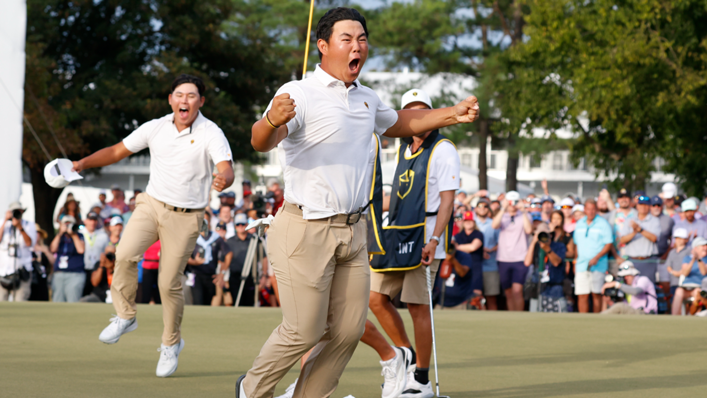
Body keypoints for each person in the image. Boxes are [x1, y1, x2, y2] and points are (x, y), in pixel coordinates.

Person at [236, 7, 480, 397]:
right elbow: (260, 140)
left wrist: (452, 114)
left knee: (348, 331)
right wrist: (268, 120)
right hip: (305, 229)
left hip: (353, 232)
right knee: (305, 329)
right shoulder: (299, 92)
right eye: (347, 39)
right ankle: (251, 389)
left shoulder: (366, 98)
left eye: (362, 40)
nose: (358, 47)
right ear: (323, 46)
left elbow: (399, 122)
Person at [71, 73, 234, 378]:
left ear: (201, 101)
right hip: (151, 204)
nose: (184, 100)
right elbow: (117, 151)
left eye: (191, 95)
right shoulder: (155, 127)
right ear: (171, 99)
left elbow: (225, 167)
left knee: (168, 281)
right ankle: (125, 315)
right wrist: (82, 163)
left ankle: (171, 343)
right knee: (124, 255)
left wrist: (224, 178)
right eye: (179, 94)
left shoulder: (212, 132)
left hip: (187, 215)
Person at [362, 87, 461, 398]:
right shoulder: (403, 148)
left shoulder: (444, 149)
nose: (418, 118)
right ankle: (405, 356)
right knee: (375, 297)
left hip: (425, 237)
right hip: (399, 233)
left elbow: (447, 202)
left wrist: (434, 240)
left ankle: (420, 378)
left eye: (423, 111)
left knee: (418, 307)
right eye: (412, 112)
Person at [492, 190, 533, 311]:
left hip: (520, 258)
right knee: (508, 292)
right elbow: (494, 225)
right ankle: (512, 315)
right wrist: (503, 208)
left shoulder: (525, 215)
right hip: (503, 258)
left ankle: (519, 316)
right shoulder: (502, 215)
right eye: (510, 201)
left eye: (514, 201)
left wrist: (523, 211)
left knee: (517, 291)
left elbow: (528, 230)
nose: (512, 204)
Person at [573, 199, 614, 313]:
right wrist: (575, 261)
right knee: (582, 294)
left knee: (596, 294)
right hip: (581, 265)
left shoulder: (603, 224)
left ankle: (596, 320)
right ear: (584, 210)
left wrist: (597, 257)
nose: (590, 212)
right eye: (588, 209)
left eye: (593, 209)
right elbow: (577, 244)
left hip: (598, 265)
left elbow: (608, 243)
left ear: (596, 209)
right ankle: (583, 321)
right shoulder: (579, 223)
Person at [188, 212, 232, 306]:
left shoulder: (216, 238)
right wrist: (194, 262)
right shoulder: (192, 237)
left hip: (210, 276)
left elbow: (228, 253)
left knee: (207, 304)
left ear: (209, 221)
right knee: (198, 302)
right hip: (196, 275)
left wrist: (222, 273)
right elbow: (184, 256)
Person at [524, 223, 567, 312]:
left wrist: (547, 248)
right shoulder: (535, 246)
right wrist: (533, 242)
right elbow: (527, 262)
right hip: (537, 285)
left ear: (550, 235)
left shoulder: (559, 246)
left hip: (554, 286)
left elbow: (556, 263)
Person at [619, 195, 660, 283]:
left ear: (649, 206)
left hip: (648, 260)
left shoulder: (654, 220)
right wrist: (634, 232)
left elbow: (654, 238)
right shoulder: (630, 220)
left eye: (645, 205)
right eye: (641, 204)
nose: (643, 207)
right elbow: (622, 240)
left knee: (648, 287)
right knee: (631, 287)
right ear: (637, 206)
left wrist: (640, 229)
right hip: (632, 260)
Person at [0, 202, 37, 302]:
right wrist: (5, 221)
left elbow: (30, 243)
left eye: (19, 211)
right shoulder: (3, 224)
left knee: (20, 301)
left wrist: (20, 227)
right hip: (3, 272)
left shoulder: (29, 225)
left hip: (22, 272)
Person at [226, 213, 263, 307]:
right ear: (235, 226)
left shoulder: (254, 239)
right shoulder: (230, 241)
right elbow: (225, 259)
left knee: (249, 304)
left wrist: (264, 275)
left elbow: (264, 258)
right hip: (234, 277)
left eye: (243, 224)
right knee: (237, 303)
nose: (240, 227)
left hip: (251, 277)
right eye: (238, 224)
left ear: (247, 225)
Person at [50, 215, 86, 302]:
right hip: (59, 274)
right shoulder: (60, 237)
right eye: (66, 224)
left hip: (75, 274)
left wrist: (73, 235)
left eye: (70, 224)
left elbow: (81, 250)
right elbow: (53, 249)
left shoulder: (79, 236)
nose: (68, 226)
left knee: (73, 301)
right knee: (58, 301)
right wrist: (60, 233)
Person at [453, 210, 485, 305]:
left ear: (474, 222)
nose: (468, 223)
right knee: (462, 293)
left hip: (475, 266)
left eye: (470, 221)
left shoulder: (478, 234)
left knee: (476, 294)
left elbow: (473, 247)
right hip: (462, 266)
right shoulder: (458, 235)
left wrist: (457, 247)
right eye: (466, 221)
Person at [670, 237, 707, 315]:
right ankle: (674, 317)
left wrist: (699, 259)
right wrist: (693, 259)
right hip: (686, 288)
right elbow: (685, 273)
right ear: (696, 248)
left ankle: (693, 316)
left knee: (699, 293)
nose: (705, 247)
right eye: (703, 246)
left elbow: (704, 272)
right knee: (678, 291)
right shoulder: (687, 258)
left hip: (699, 288)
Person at [475, 198, 500, 310]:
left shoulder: (493, 224)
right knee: (475, 298)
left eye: (485, 206)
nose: (482, 208)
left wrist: (489, 250)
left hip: (490, 264)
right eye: (480, 206)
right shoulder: (471, 222)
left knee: (491, 298)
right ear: (475, 208)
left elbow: (501, 243)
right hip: (474, 265)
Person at [81, 211, 109, 297]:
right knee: (83, 293)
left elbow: (106, 251)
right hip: (83, 268)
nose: (92, 222)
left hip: (97, 268)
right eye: (90, 220)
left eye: (94, 220)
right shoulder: (80, 233)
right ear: (85, 221)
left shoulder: (103, 235)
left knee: (96, 294)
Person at [30, 224, 53, 301]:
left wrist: (46, 252)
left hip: (42, 280)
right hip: (30, 280)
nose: (36, 235)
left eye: (38, 233)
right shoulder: (26, 249)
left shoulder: (44, 248)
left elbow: (53, 262)